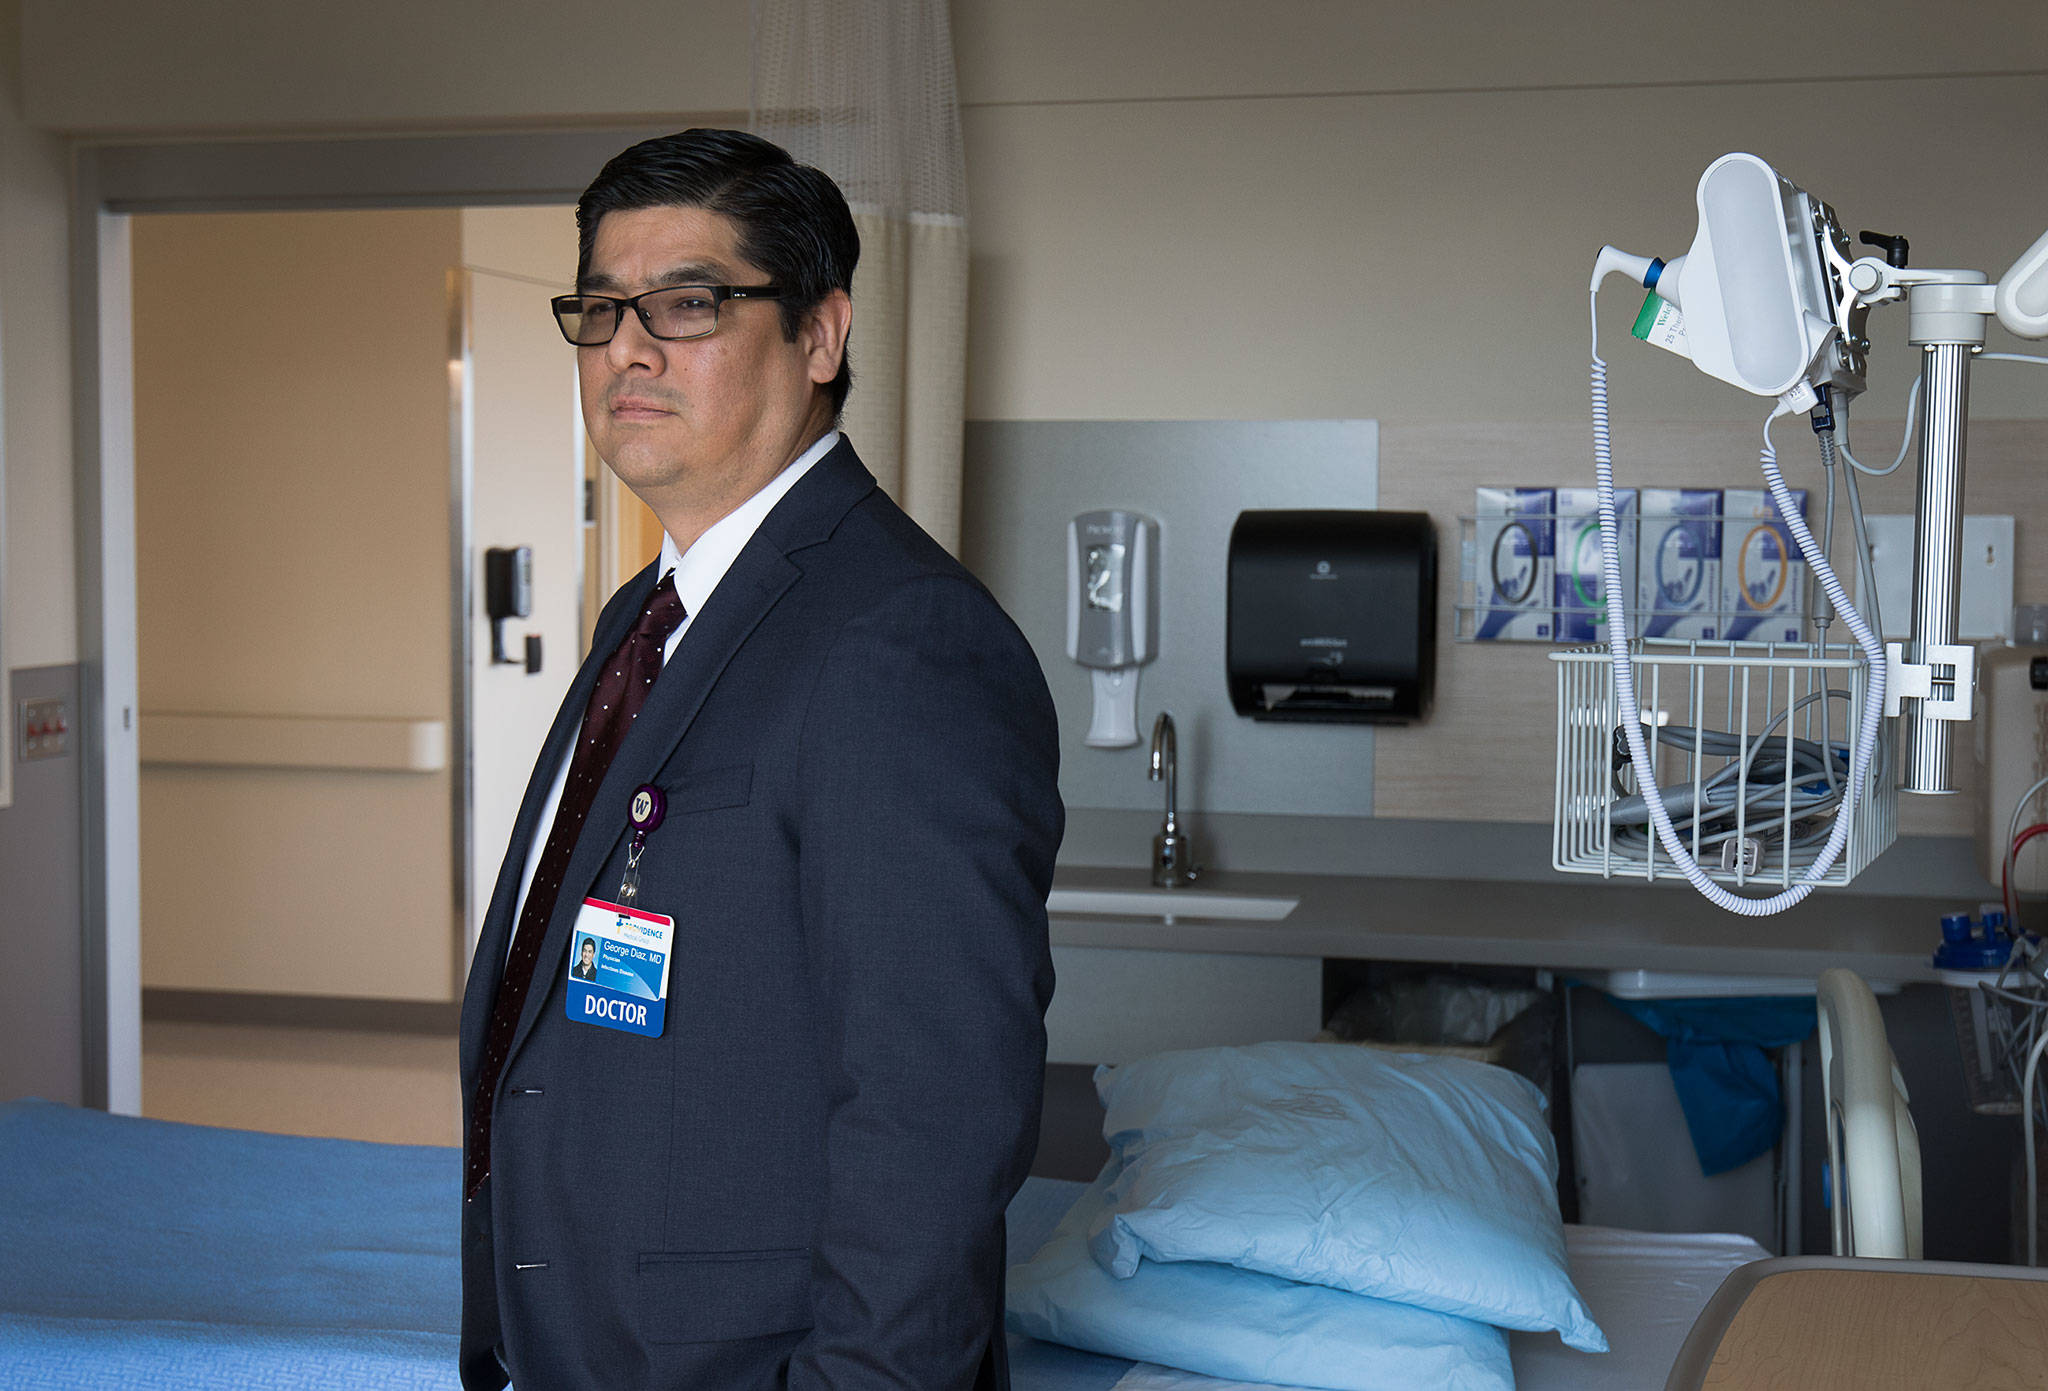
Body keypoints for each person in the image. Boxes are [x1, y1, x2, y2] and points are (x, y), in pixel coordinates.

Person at [457, 128, 1062, 1391]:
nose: (627, 346)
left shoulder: (897, 641)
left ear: (820, 335)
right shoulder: (648, 616)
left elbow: (931, 1115)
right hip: (595, 1340)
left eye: (688, 302)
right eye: (599, 309)